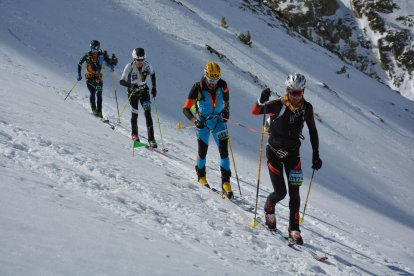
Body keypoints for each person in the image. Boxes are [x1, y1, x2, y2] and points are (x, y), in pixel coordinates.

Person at [251, 73, 322, 244]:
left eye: (298, 93)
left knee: (295, 194)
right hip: (274, 152)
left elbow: (313, 131)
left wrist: (316, 154)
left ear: (303, 92)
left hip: (293, 154)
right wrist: (261, 100)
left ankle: (294, 229)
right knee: (280, 192)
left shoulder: (307, 108)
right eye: (291, 92)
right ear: (286, 90)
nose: (294, 96)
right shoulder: (277, 105)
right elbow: (255, 111)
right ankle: (269, 207)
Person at [182, 61, 233, 199]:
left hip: (218, 121)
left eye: (215, 79)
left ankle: (226, 182)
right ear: (205, 75)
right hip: (203, 122)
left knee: (224, 151)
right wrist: (195, 121)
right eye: (210, 79)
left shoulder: (223, 85)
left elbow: (226, 99)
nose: (213, 83)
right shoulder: (197, 87)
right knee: (202, 151)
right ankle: (201, 175)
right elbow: (186, 109)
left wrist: (226, 110)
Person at [119, 48, 158, 148]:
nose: (140, 62)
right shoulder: (129, 66)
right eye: (138, 60)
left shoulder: (147, 65)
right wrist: (131, 86)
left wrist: (154, 87)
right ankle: (134, 135)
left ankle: (152, 140)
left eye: (142, 60)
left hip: (144, 92)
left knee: (148, 114)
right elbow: (121, 81)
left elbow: (153, 74)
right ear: (134, 59)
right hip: (133, 94)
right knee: (135, 114)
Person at [77, 40, 117, 118]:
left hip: (98, 78)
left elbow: (108, 61)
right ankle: (94, 110)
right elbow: (79, 63)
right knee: (92, 92)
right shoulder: (87, 55)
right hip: (89, 77)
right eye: (93, 49)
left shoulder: (101, 55)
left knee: (99, 93)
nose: (94, 51)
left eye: (96, 49)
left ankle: (99, 112)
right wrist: (79, 74)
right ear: (90, 48)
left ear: (98, 48)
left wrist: (111, 65)